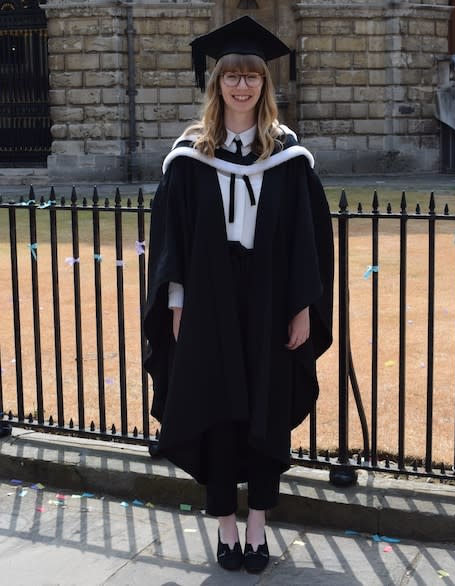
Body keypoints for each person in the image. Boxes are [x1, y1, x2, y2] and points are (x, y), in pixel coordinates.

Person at [144, 15, 334, 574]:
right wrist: (176, 304)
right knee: (218, 406)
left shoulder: (288, 157)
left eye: (253, 76)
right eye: (233, 76)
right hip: (208, 299)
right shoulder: (190, 158)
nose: (243, 85)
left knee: (265, 405)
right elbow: (171, 238)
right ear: (217, 84)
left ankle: (258, 528)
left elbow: (307, 237)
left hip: (270, 297)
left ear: (264, 85)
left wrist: (302, 305)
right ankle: (226, 525)